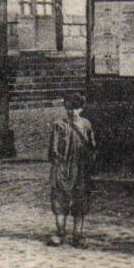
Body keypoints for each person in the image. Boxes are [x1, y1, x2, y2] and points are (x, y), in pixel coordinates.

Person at [47, 92, 96, 248]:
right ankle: (60, 232)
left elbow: (92, 146)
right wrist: (58, 164)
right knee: (60, 199)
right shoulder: (59, 125)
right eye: (69, 108)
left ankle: (78, 234)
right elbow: (53, 149)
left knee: (80, 200)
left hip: (80, 168)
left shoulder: (86, 125)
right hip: (63, 167)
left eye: (76, 108)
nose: (72, 112)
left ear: (81, 109)